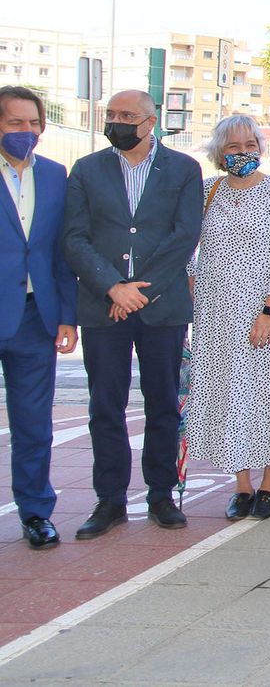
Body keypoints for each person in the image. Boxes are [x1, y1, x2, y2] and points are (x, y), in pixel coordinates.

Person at [64, 89, 202, 538]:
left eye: (127, 115)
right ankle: (110, 500)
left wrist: (141, 291)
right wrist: (113, 288)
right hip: (104, 307)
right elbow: (75, 238)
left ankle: (161, 493)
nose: (117, 122)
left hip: (161, 308)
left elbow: (184, 236)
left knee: (163, 402)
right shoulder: (87, 169)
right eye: (111, 115)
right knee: (106, 405)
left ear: (151, 121)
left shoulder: (184, 169)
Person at [186, 114, 270, 522]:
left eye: (249, 146)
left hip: (266, 313)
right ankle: (242, 484)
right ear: (220, 151)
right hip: (216, 314)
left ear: (260, 148)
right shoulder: (207, 191)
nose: (242, 153)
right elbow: (187, 248)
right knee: (228, 397)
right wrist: (191, 290)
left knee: (269, 395)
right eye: (234, 147)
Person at [0, 86, 78, 548]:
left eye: (34, 124)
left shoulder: (54, 175)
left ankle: (35, 513)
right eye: (15, 123)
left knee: (34, 424)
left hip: (35, 319)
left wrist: (66, 315)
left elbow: (58, 252)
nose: (26, 132)